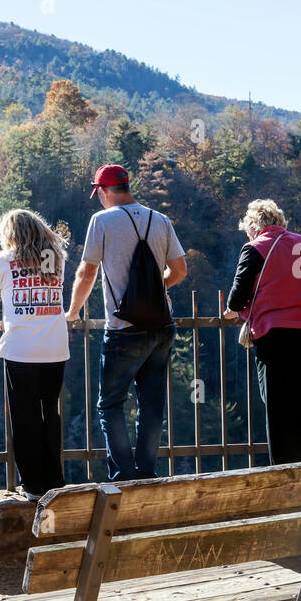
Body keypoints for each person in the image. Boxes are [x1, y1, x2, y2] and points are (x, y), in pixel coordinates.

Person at [66, 164, 187, 481]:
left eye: (99, 194)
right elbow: (179, 271)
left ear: (104, 191)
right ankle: (147, 472)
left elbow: (87, 272)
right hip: (162, 326)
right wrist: (151, 291)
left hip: (124, 329)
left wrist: (73, 311)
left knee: (110, 405)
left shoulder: (102, 221)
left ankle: (123, 475)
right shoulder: (159, 219)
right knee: (151, 405)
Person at [224, 199, 301, 464]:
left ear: (254, 226)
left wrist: (234, 312)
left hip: (276, 336)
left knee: (279, 407)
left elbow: (236, 299)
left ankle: (284, 472)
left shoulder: (255, 248)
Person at [0, 208, 69, 501]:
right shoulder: (55, 258)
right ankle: (54, 479)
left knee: (25, 417)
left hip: (21, 349)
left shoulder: (6, 260)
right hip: (55, 348)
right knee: (49, 415)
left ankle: (33, 483)